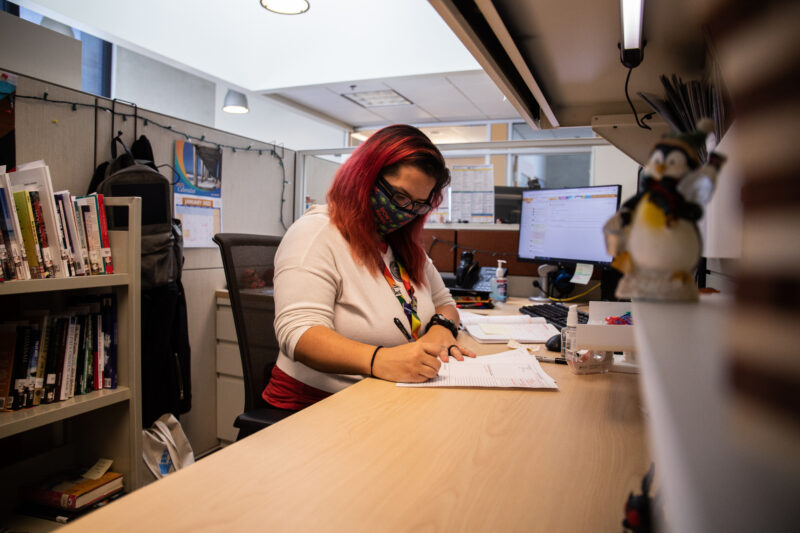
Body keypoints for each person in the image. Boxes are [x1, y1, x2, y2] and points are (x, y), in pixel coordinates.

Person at [263, 124, 475, 411]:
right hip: (316, 406)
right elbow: (299, 334)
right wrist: (379, 360)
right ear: (365, 177)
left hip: (387, 399)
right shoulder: (316, 234)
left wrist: (441, 327)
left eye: (418, 205)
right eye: (399, 197)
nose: (406, 212)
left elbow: (444, 302)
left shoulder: (401, 245)